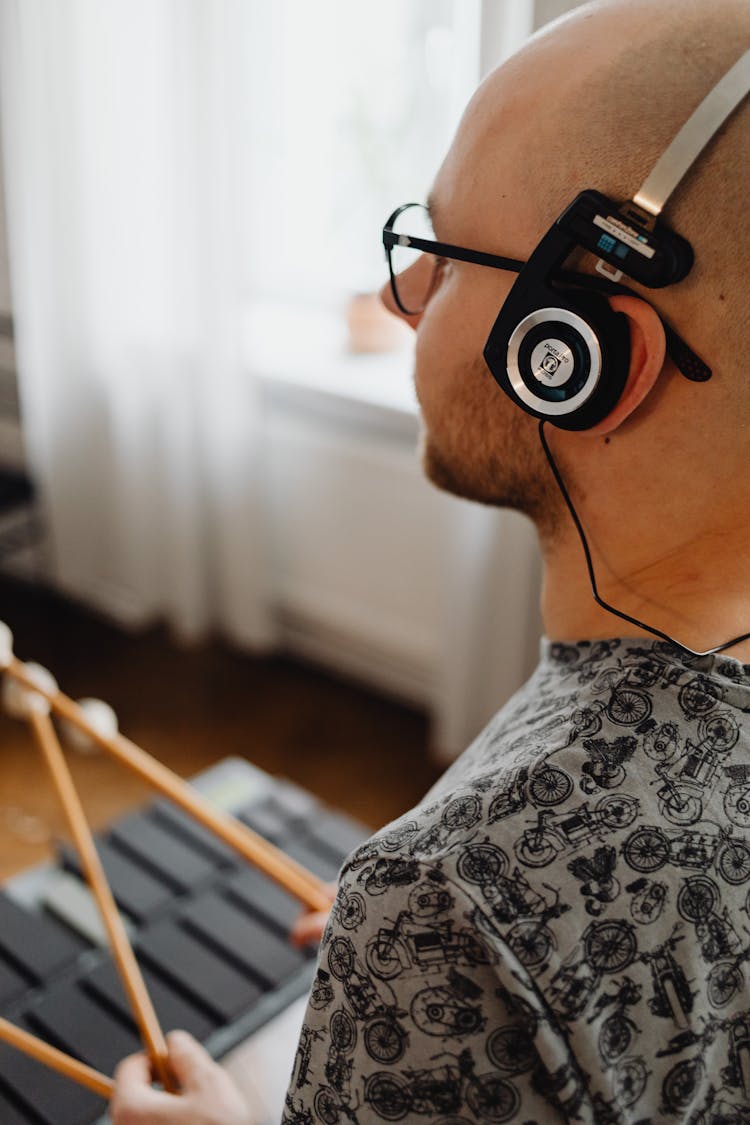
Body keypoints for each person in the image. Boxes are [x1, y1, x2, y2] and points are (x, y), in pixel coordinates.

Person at [111, 0, 750, 1120]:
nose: (403, 296)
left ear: (581, 357)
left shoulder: (454, 895)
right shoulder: (463, 900)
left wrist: (442, 924)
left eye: (442, 254)